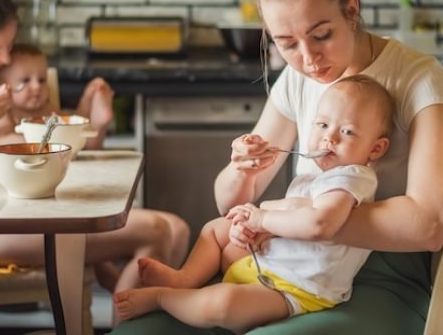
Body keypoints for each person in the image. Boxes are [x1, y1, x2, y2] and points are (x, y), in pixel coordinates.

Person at [109, 0, 443, 335]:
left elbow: (428, 226)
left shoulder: (419, 78)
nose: (309, 59)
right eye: (287, 43)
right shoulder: (298, 78)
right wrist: (241, 170)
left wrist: (283, 215)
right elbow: (226, 202)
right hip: (282, 254)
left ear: (352, 11)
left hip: (379, 273)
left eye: (322, 35)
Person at [112, 75, 393, 333]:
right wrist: (248, 222)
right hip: (265, 261)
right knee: (218, 228)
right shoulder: (315, 173)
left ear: (376, 149)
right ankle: (186, 278)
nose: (328, 137)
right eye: (322, 125)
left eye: (347, 132)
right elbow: (292, 211)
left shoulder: (352, 177)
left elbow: (319, 223)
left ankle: (164, 298)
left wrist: (261, 219)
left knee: (223, 305)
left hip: (295, 289)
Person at [0, 0, 190, 325]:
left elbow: (48, 158)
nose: (5, 58)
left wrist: (89, 118)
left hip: (35, 214)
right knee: (161, 231)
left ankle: (129, 319)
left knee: (175, 229)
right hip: (5, 230)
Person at [0, 42, 114, 149]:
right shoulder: (5, 112)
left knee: (79, 133)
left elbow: (71, 127)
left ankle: (99, 123)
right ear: (0, 87)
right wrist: (45, 141)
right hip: (27, 164)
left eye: (42, 80)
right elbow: (2, 140)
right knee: (77, 142)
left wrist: (86, 100)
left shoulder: (47, 109)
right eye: (25, 81)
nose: (36, 86)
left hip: (61, 157)